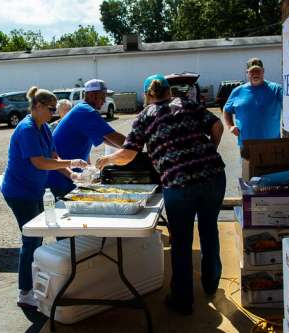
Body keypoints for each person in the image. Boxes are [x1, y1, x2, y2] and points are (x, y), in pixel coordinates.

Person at [96, 74, 226, 315]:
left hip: (179, 184)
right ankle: (210, 284)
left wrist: (107, 160)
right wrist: (209, 151)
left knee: (182, 242)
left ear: (148, 94)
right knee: (209, 229)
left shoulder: (145, 116)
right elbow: (217, 126)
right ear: (169, 90)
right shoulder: (187, 103)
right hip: (213, 176)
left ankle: (183, 300)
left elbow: (128, 154)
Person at [0, 86, 88, 309]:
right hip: (19, 192)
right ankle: (25, 292)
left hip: (34, 189)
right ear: (37, 107)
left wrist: (71, 175)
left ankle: (33, 285)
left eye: (54, 109)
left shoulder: (44, 127)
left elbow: (52, 156)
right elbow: (39, 162)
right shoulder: (27, 129)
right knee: (31, 238)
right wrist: (72, 163)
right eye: (50, 109)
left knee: (37, 237)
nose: (53, 113)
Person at [48, 79, 126, 198]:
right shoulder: (86, 112)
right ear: (91, 95)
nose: (105, 100)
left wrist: (128, 150)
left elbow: (106, 138)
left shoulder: (83, 109)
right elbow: (116, 138)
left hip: (68, 175)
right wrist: (134, 147)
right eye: (102, 96)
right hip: (60, 177)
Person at [223, 57, 283, 150]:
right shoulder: (237, 91)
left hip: (272, 144)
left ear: (263, 71)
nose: (255, 74)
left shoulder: (276, 89)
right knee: (247, 165)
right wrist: (230, 126)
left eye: (258, 71)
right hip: (246, 145)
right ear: (247, 73)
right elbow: (227, 110)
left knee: (273, 165)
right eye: (252, 71)